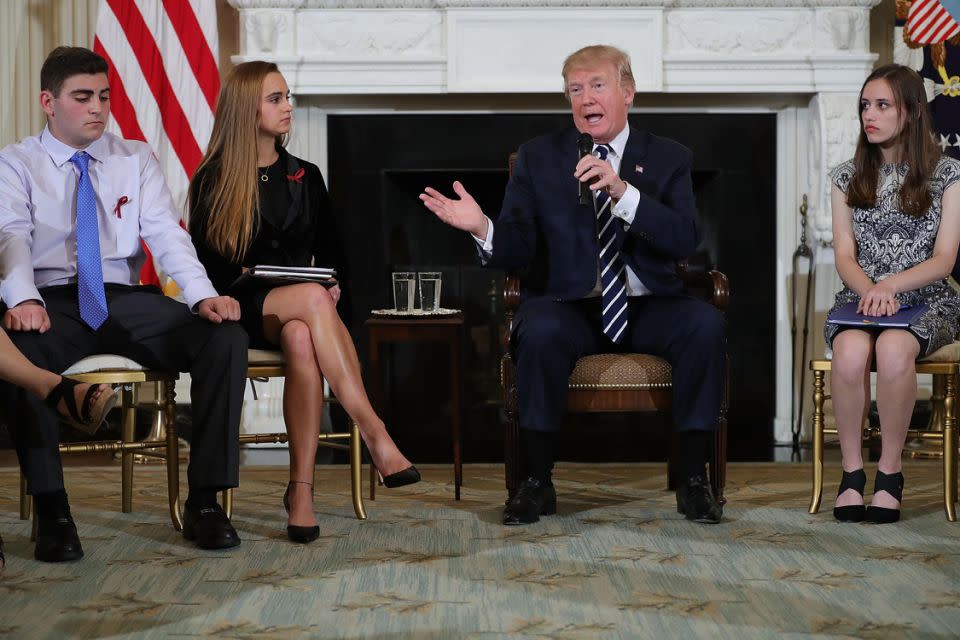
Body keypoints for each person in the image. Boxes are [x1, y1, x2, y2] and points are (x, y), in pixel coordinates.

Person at [420, 44, 726, 525]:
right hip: (569, 304)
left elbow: (684, 236)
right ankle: (536, 482)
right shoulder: (539, 159)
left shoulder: (669, 158)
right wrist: (482, 226)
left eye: (597, 85)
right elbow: (518, 247)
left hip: (649, 304)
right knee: (537, 329)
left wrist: (624, 193)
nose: (586, 99)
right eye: (575, 90)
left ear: (628, 92)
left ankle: (692, 480)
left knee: (705, 326)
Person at [0, 46, 249, 563]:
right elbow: (11, 237)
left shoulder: (134, 157)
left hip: (126, 300)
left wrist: (204, 295)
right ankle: (54, 512)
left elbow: (165, 234)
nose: (97, 107)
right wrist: (23, 297)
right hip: (54, 301)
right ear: (49, 101)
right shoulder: (16, 162)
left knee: (224, 336)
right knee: (20, 348)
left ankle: (205, 502)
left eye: (105, 96)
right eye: (83, 97)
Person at [187, 61, 419, 544]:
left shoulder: (305, 175)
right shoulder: (212, 179)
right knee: (310, 302)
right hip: (239, 312)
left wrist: (333, 286)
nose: (288, 106)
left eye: (287, 96)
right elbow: (213, 271)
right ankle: (374, 430)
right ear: (245, 108)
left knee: (301, 333)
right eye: (276, 99)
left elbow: (333, 258)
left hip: (298, 309)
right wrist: (307, 290)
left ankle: (302, 491)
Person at [826, 64, 960, 524]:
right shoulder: (846, 176)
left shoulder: (947, 174)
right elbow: (845, 255)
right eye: (865, 105)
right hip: (861, 298)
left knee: (896, 350)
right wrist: (871, 290)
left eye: (883, 105)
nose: (870, 114)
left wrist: (891, 286)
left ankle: (889, 473)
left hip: (927, 300)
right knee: (848, 354)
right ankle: (850, 475)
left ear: (913, 111)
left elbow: (944, 259)